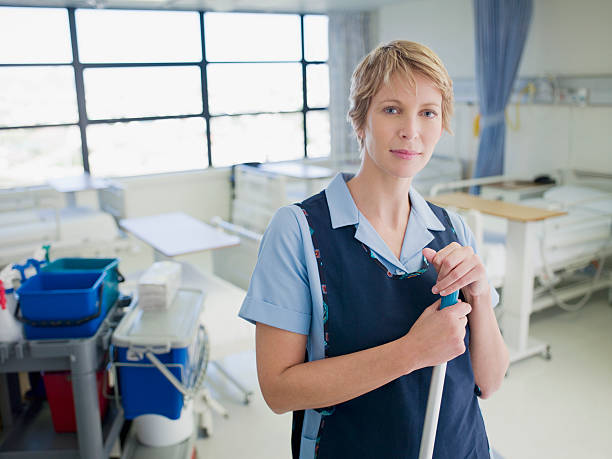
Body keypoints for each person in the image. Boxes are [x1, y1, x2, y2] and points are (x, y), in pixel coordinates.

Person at [239, 40, 509, 459]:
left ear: (442, 124)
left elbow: (489, 383)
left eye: (428, 113)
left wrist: (481, 298)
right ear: (359, 119)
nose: (411, 131)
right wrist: (412, 352)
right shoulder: (300, 231)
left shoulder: (453, 229)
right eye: (391, 109)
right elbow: (279, 390)